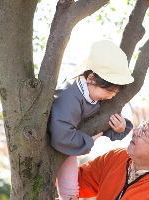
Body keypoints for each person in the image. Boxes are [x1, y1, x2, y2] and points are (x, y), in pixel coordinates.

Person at [48, 40, 134, 200]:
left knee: (71, 192)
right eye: (108, 91)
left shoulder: (94, 95)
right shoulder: (70, 98)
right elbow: (61, 133)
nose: (111, 96)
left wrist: (120, 127)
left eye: (114, 93)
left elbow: (100, 119)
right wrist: (88, 140)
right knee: (69, 193)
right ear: (91, 78)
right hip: (59, 145)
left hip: (70, 146)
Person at [78, 117, 149, 200]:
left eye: (144, 132)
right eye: (142, 126)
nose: (135, 131)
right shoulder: (116, 156)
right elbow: (77, 180)